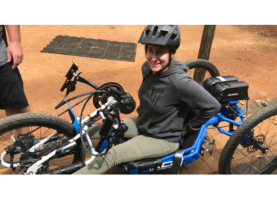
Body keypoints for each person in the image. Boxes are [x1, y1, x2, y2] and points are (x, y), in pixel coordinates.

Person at [73, 25, 221, 174]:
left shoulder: (179, 81)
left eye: (160, 52)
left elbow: (213, 106)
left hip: (163, 138)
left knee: (112, 155)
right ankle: (51, 148)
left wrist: (186, 129)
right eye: (150, 50)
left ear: (171, 53)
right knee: (92, 130)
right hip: (144, 122)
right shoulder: (147, 69)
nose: (153, 58)